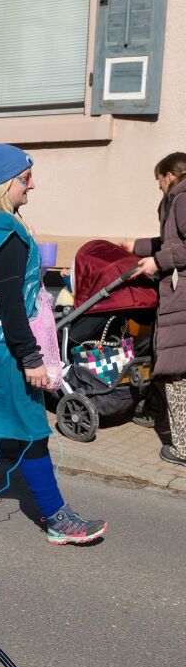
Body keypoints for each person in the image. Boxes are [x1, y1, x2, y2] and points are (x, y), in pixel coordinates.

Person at [0, 144, 108, 545]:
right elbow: (9, 302)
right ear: (7, 182)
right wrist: (31, 356)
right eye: (25, 177)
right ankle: (57, 518)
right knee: (33, 431)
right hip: (7, 351)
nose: (32, 185)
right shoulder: (6, 229)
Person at [128, 152, 186, 466]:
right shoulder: (176, 200)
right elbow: (170, 242)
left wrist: (158, 262)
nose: (159, 187)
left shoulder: (182, 198)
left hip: (182, 294)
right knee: (170, 363)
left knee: (178, 372)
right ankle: (153, 411)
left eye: (158, 180)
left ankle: (183, 448)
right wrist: (134, 247)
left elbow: (177, 251)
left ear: (168, 174)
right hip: (178, 293)